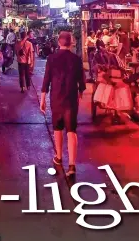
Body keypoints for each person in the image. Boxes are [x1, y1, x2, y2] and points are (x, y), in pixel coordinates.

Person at [40, 32, 85, 177]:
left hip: (56, 98)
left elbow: (46, 79)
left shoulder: (52, 58)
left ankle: (59, 157)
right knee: (72, 130)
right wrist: (80, 93)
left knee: (57, 128)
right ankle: (72, 165)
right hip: (71, 98)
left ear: (59, 43)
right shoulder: (77, 59)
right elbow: (81, 81)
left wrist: (42, 98)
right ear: (71, 43)